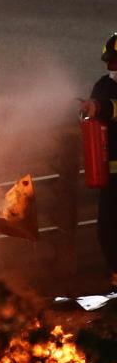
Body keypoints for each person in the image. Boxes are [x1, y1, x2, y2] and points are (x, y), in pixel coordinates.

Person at [80, 33, 117, 284]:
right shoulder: (104, 84)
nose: (111, 67)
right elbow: (96, 111)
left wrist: (101, 107)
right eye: (109, 62)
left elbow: (109, 107)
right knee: (107, 232)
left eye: (115, 62)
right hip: (111, 177)